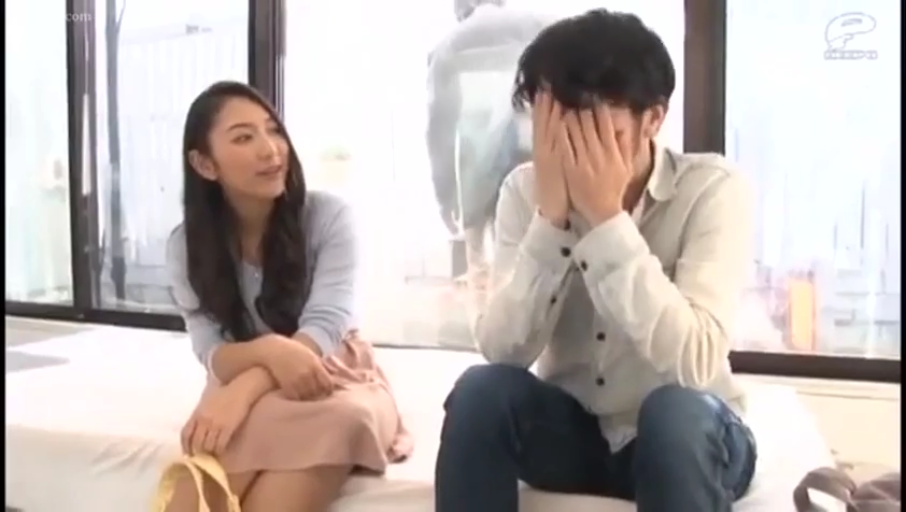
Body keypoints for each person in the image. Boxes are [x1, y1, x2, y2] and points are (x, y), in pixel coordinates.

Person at [434, 9, 757, 512]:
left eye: (599, 131)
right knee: (480, 391)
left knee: (674, 414)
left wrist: (608, 222)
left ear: (653, 118)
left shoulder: (711, 189)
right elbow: (502, 350)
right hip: (575, 435)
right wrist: (551, 223)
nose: (575, 151)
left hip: (689, 434)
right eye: (556, 129)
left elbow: (696, 362)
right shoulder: (524, 191)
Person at [164, 81, 411, 512]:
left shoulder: (328, 216)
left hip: (333, 371)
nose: (271, 150)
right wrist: (269, 353)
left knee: (344, 419)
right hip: (238, 376)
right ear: (204, 164)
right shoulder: (187, 246)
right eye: (244, 137)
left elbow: (328, 322)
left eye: (274, 130)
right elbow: (210, 350)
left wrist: (248, 389)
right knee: (222, 449)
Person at [426, 0, 549, 306]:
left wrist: (445, 196)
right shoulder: (541, 27)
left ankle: (486, 324)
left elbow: (440, 130)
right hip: (535, 160)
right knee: (536, 264)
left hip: (476, 173)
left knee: (480, 272)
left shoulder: (448, 47)